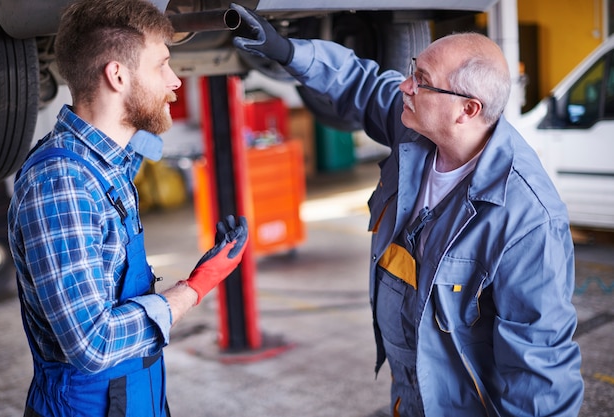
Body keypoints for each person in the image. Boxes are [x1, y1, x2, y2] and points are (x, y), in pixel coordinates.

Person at [230, 4, 584, 417]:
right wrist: (285, 50)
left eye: (422, 81)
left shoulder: (527, 218)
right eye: (414, 71)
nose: (406, 86)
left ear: (467, 109)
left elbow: (539, 372)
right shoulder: (415, 132)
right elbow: (362, 84)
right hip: (410, 391)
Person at [7, 1, 248, 416]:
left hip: (136, 397)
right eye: (162, 66)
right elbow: (92, 344)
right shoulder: (61, 184)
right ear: (117, 75)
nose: (175, 82)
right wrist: (194, 289)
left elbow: (138, 143)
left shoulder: (107, 164)